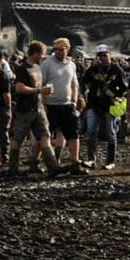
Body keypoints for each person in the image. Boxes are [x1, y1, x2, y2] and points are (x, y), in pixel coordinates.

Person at [7, 42, 62, 180]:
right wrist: (39, 90)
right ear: (36, 53)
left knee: (45, 135)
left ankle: (52, 166)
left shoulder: (37, 67)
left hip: (38, 107)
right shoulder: (22, 69)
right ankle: (12, 168)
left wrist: (43, 96)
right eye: (42, 54)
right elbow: (19, 88)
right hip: (24, 109)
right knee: (18, 138)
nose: (43, 57)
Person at [80, 45, 127, 170]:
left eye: (104, 55)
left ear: (110, 55)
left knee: (110, 133)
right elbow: (83, 81)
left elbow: (124, 87)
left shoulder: (116, 69)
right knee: (90, 131)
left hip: (109, 105)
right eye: (100, 56)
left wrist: (114, 94)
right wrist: (83, 95)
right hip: (94, 104)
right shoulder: (93, 69)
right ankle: (91, 159)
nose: (102, 58)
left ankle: (110, 161)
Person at [40, 37, 82, 171]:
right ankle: (39, 162)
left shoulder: (71, 65)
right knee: (44, 135)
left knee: (73, 134)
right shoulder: (47, 64)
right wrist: (43, 104)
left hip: (67, 104)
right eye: (56, 49)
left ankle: (75, 163)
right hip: (51, 105)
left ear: (67, 49)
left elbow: (74, 84)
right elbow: (40, 85)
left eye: (61, 49)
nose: (58, 51)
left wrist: (74, 102)